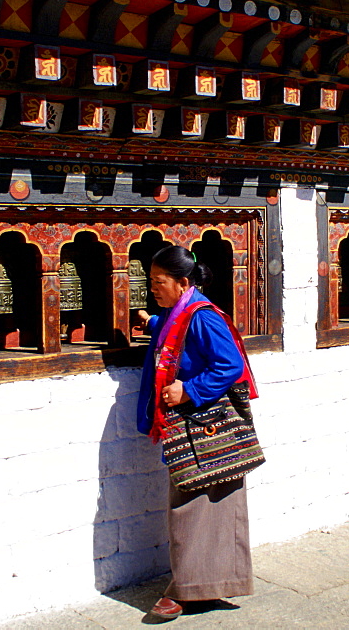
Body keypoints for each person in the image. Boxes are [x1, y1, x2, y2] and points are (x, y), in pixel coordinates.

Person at [135, 245, 255, 621]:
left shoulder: (202, 315)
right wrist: (153, 323)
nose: (152, 288)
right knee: (198, 505)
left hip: (205, 429)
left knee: (190, 506)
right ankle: (205, 585)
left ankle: (186, 590)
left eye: (159, 282)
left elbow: (229, 364)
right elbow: (178, 337)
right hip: (193, 428)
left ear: (182, 282)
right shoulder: (180, 313)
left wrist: (188, 390)